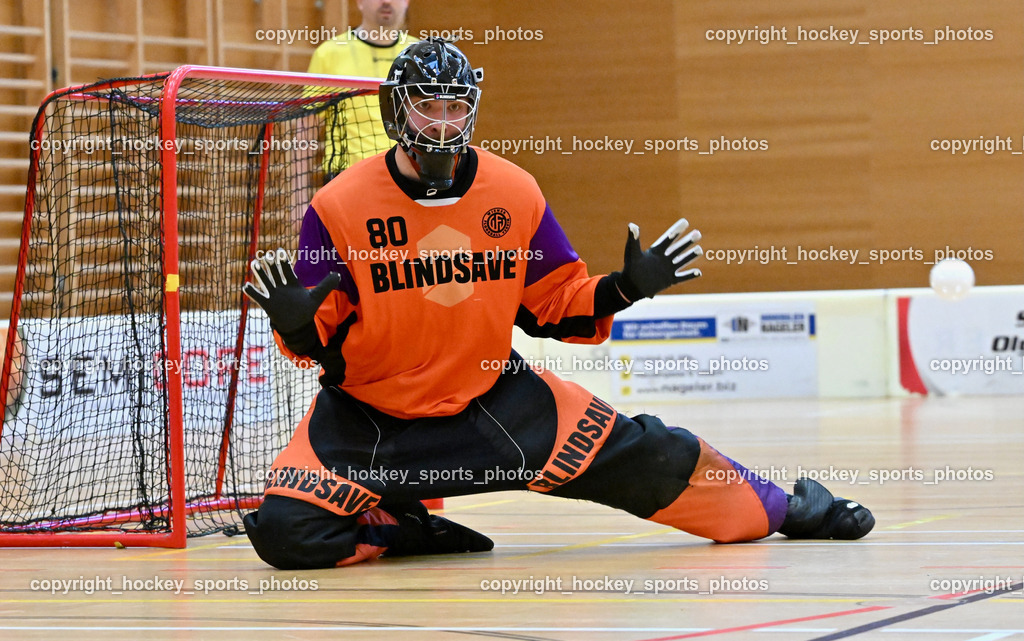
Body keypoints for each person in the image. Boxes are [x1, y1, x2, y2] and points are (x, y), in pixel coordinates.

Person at [242, 39, 875, 570]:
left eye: (455, 108)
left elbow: (555, 303)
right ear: (395, 111)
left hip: (492, 401)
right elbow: (317, 340)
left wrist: (625, 287)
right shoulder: (338, 206)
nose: (442, 124)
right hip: (370, 417)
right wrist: (295, 326)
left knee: (651, 455)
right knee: (284, 533)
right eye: (427, 107)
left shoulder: (513, 190)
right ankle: (404, 528)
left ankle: (790, 508)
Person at [307, 0, 413, 177]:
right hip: (346, 175)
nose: (386, 2)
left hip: (407, 175)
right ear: (360, 2)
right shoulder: (329, 53)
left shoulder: (420, 54)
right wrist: (298, 189)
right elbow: (306, 128)